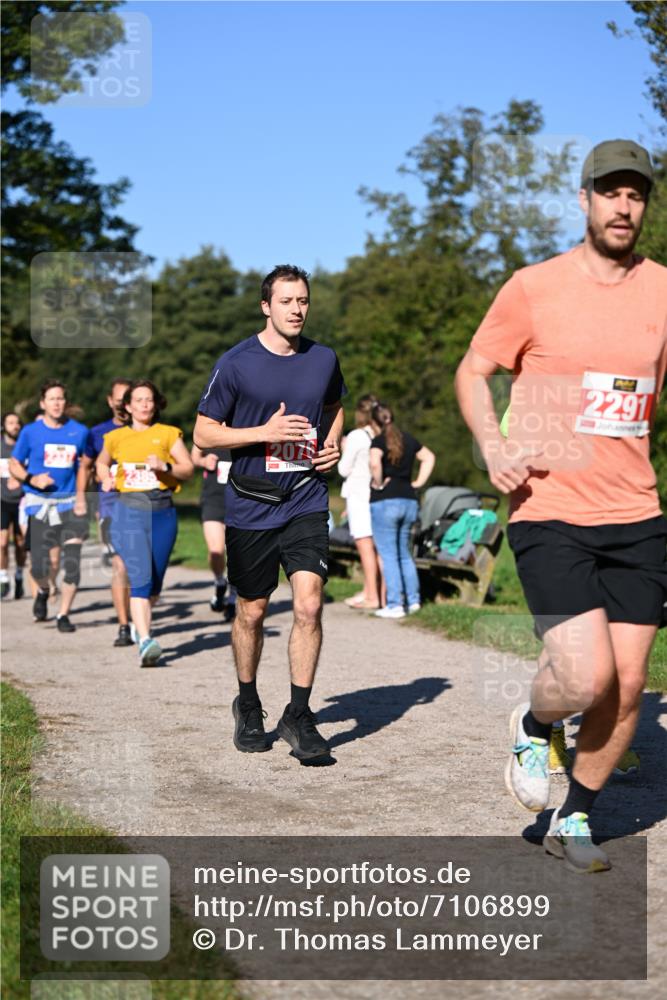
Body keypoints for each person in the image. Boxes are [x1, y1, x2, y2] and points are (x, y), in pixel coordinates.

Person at [455, 139, 667, 873]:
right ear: (584, 199)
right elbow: (474, 371)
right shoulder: (533, 287)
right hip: (548, 504)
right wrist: (492, 444)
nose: (622, 206)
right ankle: (533, 719)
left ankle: (571, 817)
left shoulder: (662, 291)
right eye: (610, 192)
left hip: (635, 512)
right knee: (583, 678)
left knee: (629, 685)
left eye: (635, 194)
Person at [194, 264, 346, 760]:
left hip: (306, 497)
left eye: (303, 300)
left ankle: (298, 715)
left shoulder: (323, 358)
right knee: (252, 611)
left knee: (309, 605)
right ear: (266, 306)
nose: (297, 310)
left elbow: (333, 407)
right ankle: (248, 702)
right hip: (251, 503)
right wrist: (264, 433)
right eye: (286, 301)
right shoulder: (236, 363)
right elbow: (204, 433)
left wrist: (334, 442)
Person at [96, 379, 194, 667]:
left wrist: (165, 467)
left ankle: (140, 628)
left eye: (149, 399)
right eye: (138, 400)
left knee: (155, 584)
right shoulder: (115, 437)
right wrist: (105, 477)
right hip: (129, 510)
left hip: (163, 512)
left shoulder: (168, 434)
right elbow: (101, 462)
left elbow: (188, 469)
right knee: (141, 578)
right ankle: (146, 640)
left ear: (156, 403)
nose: (145, 404)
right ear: (127, 406)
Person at [9, 380, 90, 631]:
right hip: (39, 504)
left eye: (61, 398)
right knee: (39, 566)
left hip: (69, 504)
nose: (57, 403)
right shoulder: (30, 432)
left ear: (66, 402)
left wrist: (81, 497)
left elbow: (84, 467)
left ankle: (63, 615)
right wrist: (32, 479)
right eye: (52, 399)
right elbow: (14, 464)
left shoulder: (79, 431)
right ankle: (43, 590)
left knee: (72, 562)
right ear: (43, 403)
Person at [369, 402, 435, 619]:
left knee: (388, 555)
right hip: (409, 500)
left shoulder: (378, 441)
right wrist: (418, 482)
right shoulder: (408, 439)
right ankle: (413, 601)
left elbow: (375, 463)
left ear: (374, 422)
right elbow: (429, 457)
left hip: (385, 501)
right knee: (404, 553)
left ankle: (395, 604)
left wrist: (378, 484)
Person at [80, 377, 133, 647]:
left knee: (144, 569)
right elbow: (86, 466)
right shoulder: (98, 433)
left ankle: (140, 612)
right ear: (110, 401)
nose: (123, 404)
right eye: (119, 399)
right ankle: (125, 625)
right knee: (120, 565)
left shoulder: (149, 430)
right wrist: (82, 498)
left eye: (127, 399)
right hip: (111, 506)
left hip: (145, 506)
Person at [337, 394, 383, 610]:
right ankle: (374, 592)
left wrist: (344, 448)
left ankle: (372, 596)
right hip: (377, 495)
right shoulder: (382, 432)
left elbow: (343, 469)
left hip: (359, 495)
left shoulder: (356, 436)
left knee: (365, 546)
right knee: (378, 547)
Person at [191, 442, 237, 620]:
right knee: (216, 551)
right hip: (213, 500)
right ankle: (219, 581)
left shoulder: (246, 428)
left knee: (236, 554)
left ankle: (233, 599)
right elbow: (194, 456)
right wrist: (203, 461)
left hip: (239, 501)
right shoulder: (211, 427)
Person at [1, 412, 26, 599]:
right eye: (10, 423)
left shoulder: (24, 446)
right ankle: (3, 578)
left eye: (17, 423)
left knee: (20, 543)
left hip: (22, 500)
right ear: (3, 425)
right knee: (2, 542)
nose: (14, 426)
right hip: (2, 500)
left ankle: (18, 575)